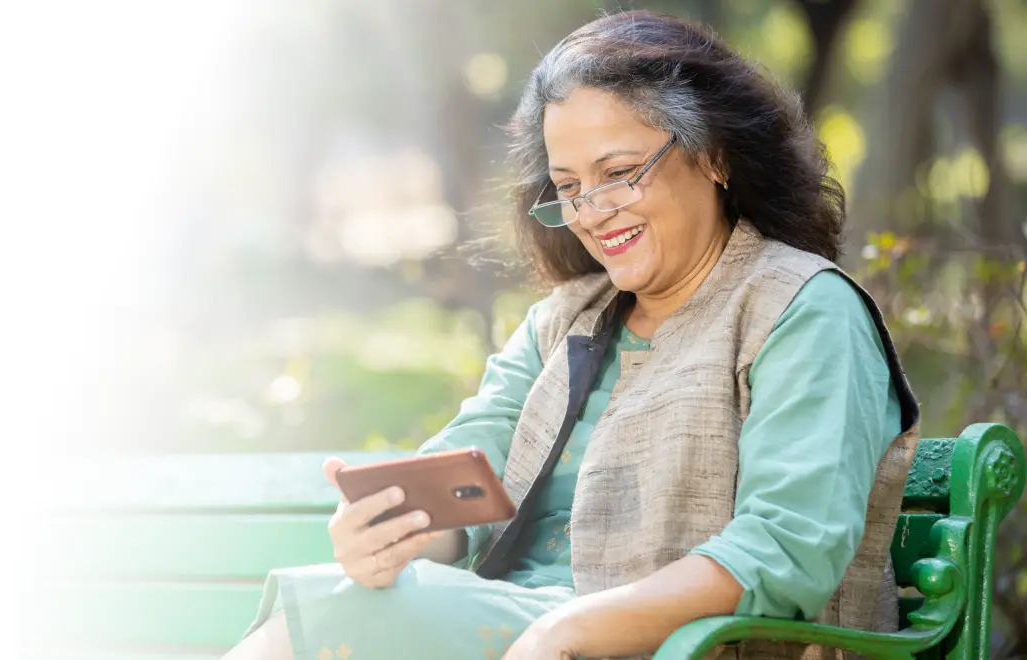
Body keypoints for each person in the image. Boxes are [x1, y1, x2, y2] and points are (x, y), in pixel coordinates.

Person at [223, 10, 919, 660]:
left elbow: (786, 550)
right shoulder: (566, 319)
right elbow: (468, 476)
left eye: (619, 175)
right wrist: (394, 535)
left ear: (714, 156)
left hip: (674, 643)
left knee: (324, 625)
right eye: (569, 187)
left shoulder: (803, 308)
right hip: (522, 625)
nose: (591, 212)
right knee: (350, 595)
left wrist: (576, 623)